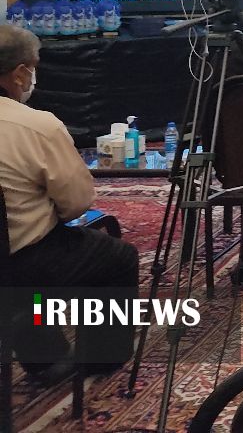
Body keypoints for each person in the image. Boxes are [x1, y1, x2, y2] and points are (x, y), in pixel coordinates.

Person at [0, 25, 139, 378]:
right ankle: (99, 360)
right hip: (19, 264)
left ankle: (44, 355)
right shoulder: (35, 126)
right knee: (117, 257)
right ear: (20, 73)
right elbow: (77, 203)